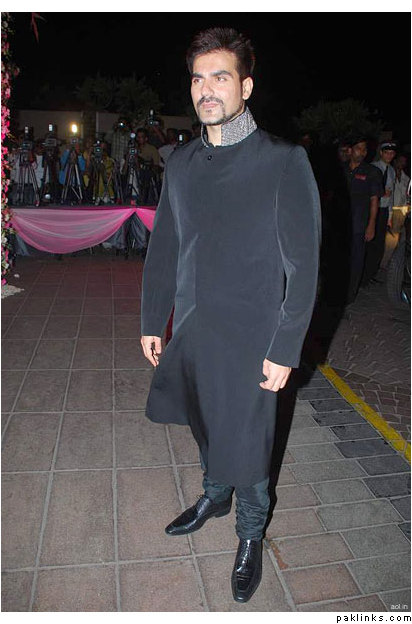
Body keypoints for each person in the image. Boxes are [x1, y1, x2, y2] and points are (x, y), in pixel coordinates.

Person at [140, 27, 320, 603]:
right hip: (195, 328)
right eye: (198, 79)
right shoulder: (182, 163)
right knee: (205, 419)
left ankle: (249, 534)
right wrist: (153, 319)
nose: (206, 89)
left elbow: (304, 266)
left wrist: (286, 347)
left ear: (245, 86)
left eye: (220, 77)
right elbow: (166, 245)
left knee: (250, 441)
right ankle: (215, 496)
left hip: (254, 335)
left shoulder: (283, 161)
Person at [344, 137, 383, 302]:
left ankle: (349, 295)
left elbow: (375, 200)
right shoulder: (341, 169)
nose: (363, 152)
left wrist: (371, 225)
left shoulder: (372, 172)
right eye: (359, 148)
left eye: (365, 149)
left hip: (359, 224)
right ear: (350, 150)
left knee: (356, 260)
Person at [362, 141, 397, 284]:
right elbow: (367, 191)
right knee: (369, 243)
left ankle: (370, 274)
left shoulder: (392, 171)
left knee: (379, 245)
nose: (389, 155)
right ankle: (363, 275)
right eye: (386, 152)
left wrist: (390, 215)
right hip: (372, 209)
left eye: (392, 153)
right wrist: (381, 193)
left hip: (383, 211)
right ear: (381, 153)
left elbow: (391, 195)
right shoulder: (372, 168)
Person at [381, 153, 411, 268]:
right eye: (400, 161)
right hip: (390, 210)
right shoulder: (389, 175)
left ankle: (386, 264)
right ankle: (382, 264)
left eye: (404, 162)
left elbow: (407, 197)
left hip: (401, 212)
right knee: (389, 239)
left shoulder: (406, 179)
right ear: (395, 161)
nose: (402, 164)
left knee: (395, 240)